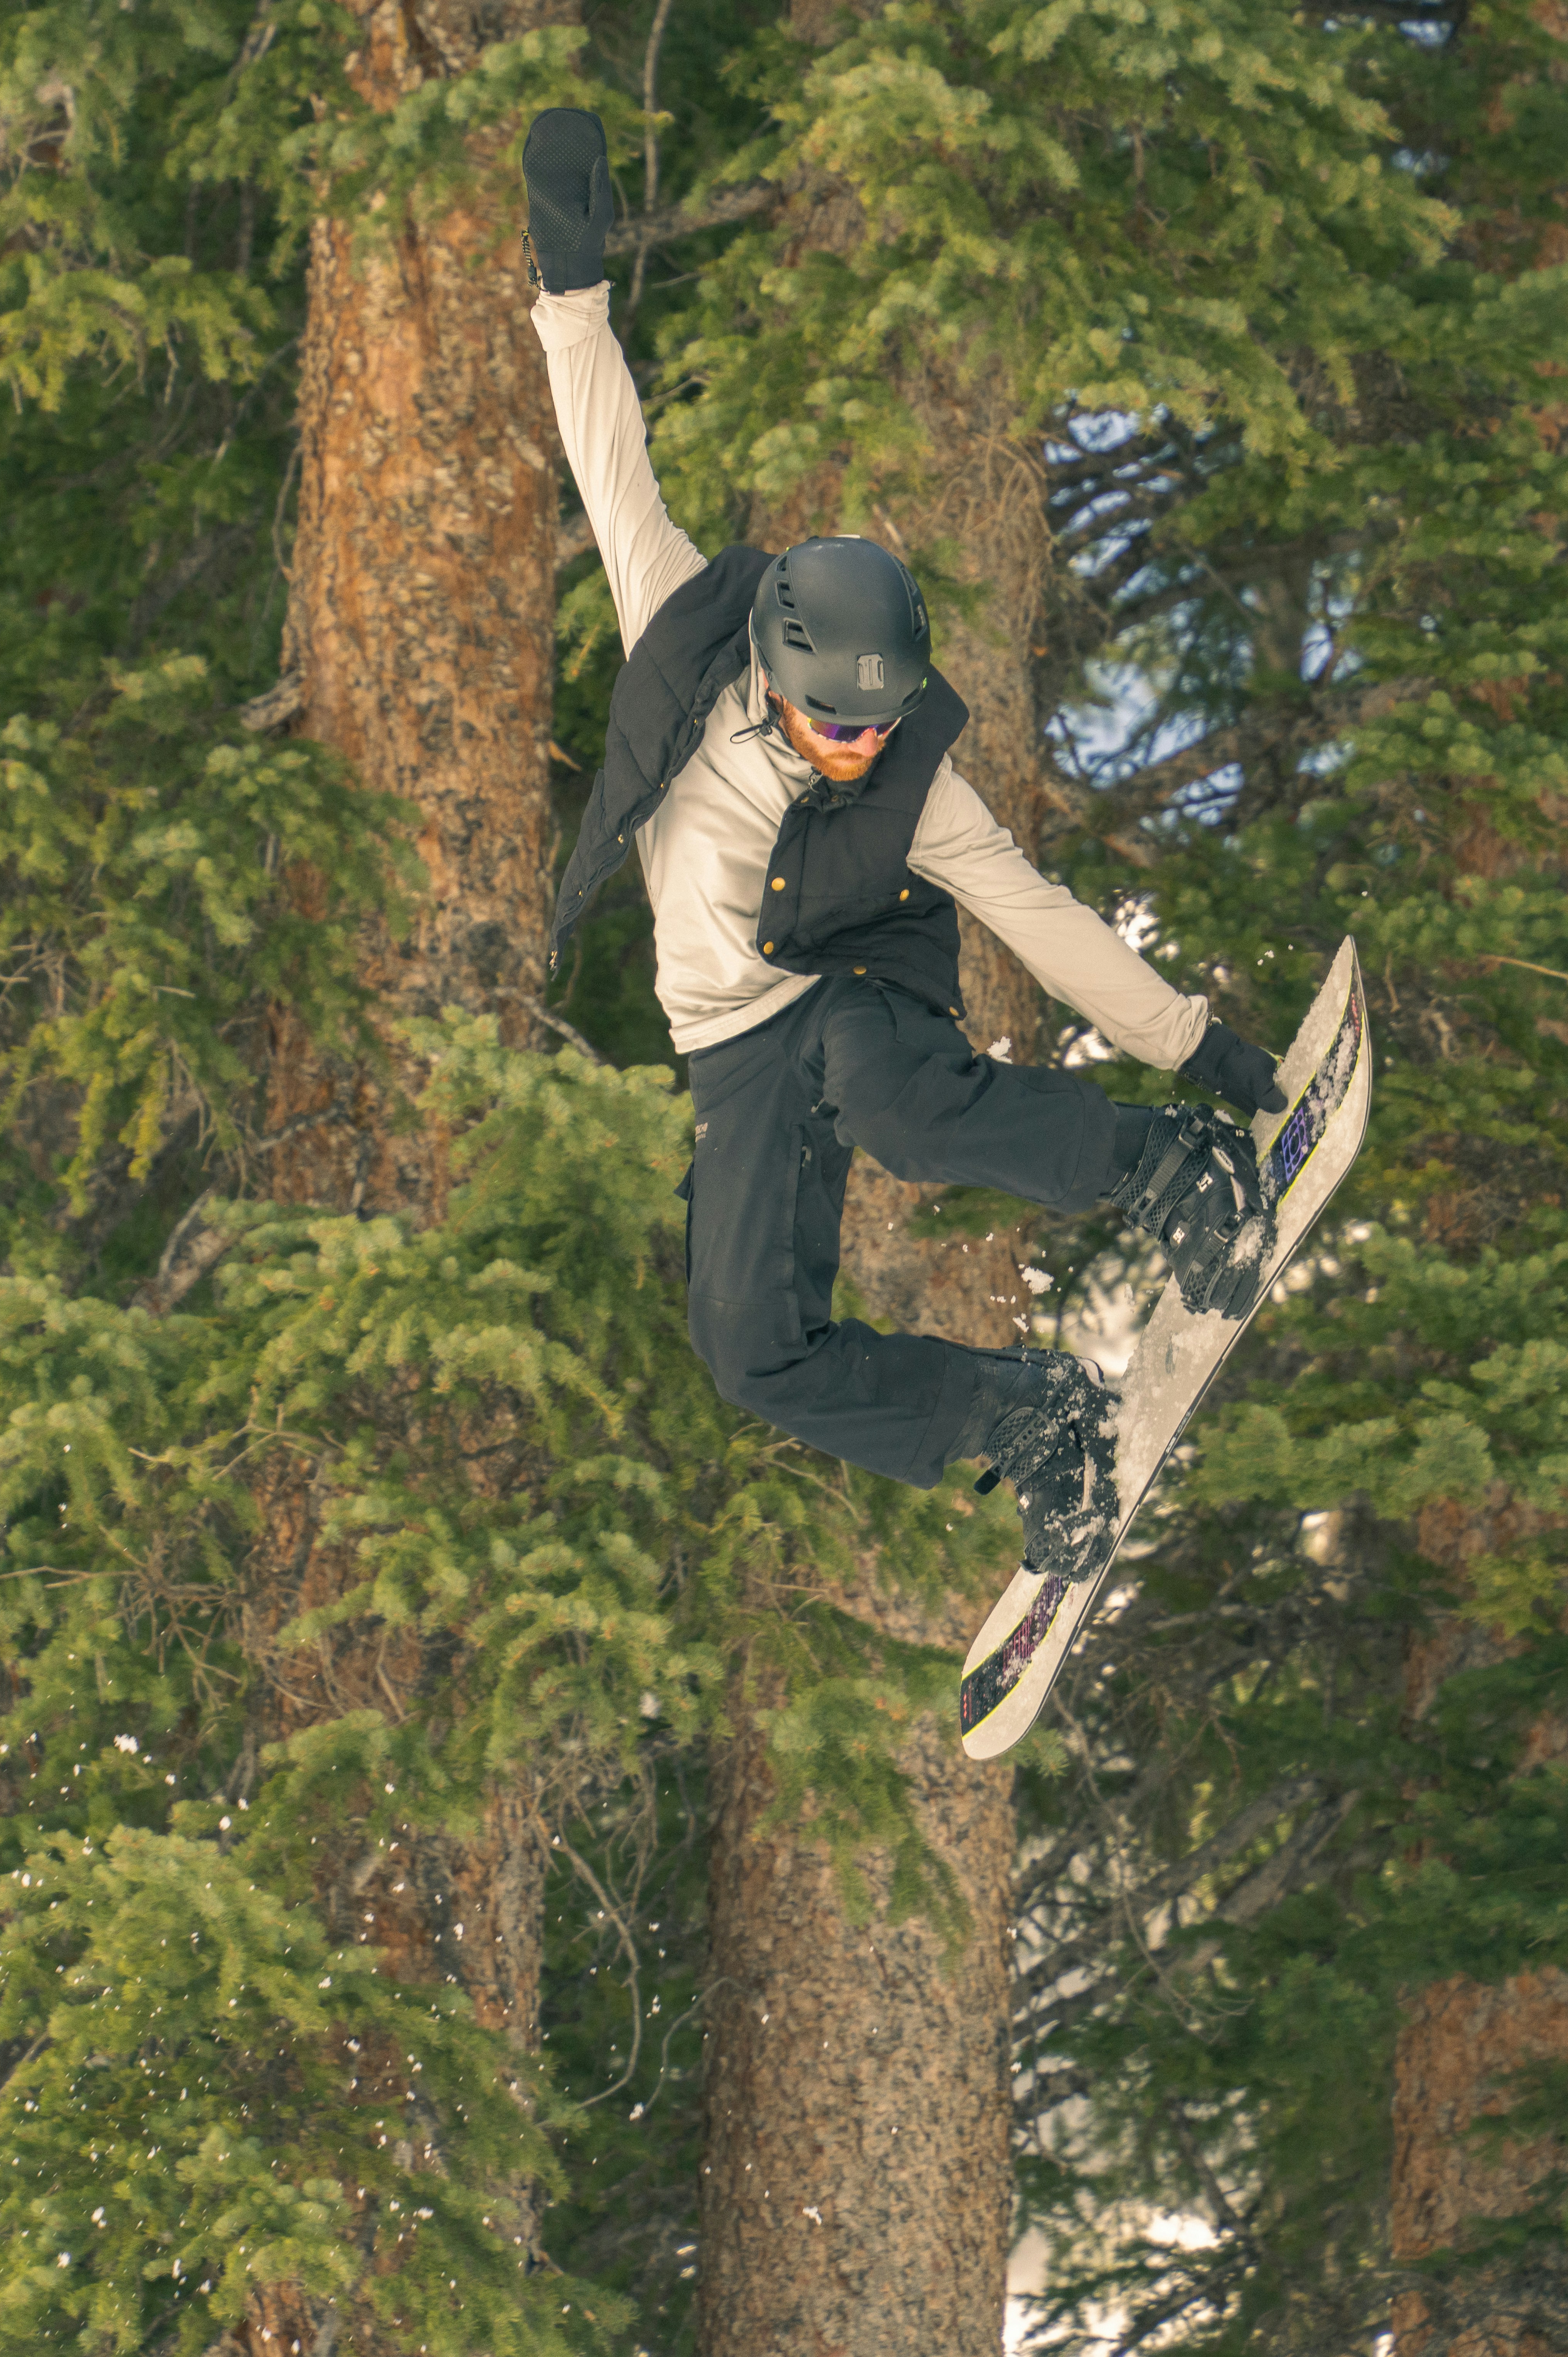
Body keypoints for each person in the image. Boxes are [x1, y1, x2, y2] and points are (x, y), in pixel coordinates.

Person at [519, 108, 1288, 1582]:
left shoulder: (912, 778)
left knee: (890, 1097)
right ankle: (1031, 1422)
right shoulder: (681, 629)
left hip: (843, 1001)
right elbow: (607, 451)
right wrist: (571, 288)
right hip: (726, 1047)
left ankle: (1172, 1173)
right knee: (752, 1353)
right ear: (776, 669)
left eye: (879, 728)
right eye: (833, 728)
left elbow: (1038, 916)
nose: (859, 751)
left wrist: (1202, 1056)